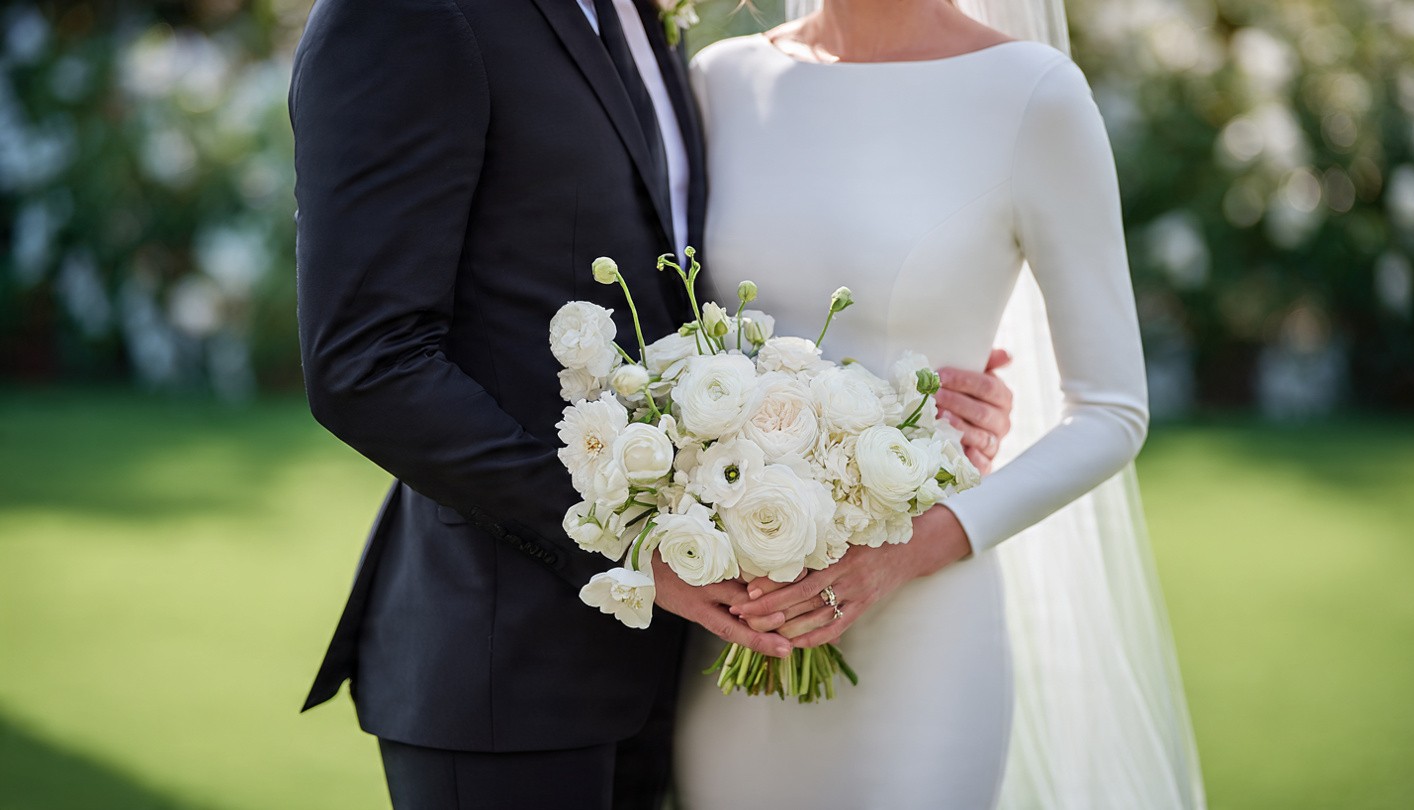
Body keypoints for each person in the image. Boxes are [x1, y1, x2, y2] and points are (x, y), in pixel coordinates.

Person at [287, 0, 1016, 806]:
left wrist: (900, 406)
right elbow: (367, 362)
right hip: (503, 666)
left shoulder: (645, 16)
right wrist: (631, 548)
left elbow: (688, 287)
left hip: (677, 675)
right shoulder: (409, 15)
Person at [674, 0, 1206, 807]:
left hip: (922, 625)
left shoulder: (1033, 95)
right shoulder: (722, 79)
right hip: (737, 623)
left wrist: (905, 552)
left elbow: (1111, 410)